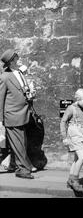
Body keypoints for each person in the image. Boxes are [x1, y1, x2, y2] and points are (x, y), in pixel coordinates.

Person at [0, 49, 35, 179]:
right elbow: (0, 99)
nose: (18, 58)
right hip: (12, 116)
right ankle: (24, 170)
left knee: (18, 143)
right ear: (11, 61)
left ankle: (22, 167)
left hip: (23, 114)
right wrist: (0, 121)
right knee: (18, 144)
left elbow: (23, 90)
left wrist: (30, 95)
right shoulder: (4, 77)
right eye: (16, 57)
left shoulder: (19, 73)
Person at [60, 88, 83, 192]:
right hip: (74, 134)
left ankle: (70, 179)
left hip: (82, 134)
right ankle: (75, 180)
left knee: (76, 159)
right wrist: (64, 137)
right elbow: (63, 122)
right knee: (82, 157)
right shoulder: (71, 108)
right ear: (78, 99)